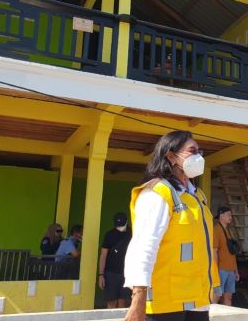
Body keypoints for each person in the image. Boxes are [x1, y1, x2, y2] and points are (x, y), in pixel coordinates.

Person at [123, 130, 219, 321]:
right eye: (192, 151)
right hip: (165, 303)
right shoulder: (157, 193)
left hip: (198, 301)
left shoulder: (197, 196)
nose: (198, 157)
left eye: (200, 152)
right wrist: (138, 299)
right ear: (171, 156)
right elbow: (143, 247)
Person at [99, 212, 132, 308]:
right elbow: (103, 255)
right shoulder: (109, 235)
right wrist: (101, 275)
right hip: (111, 273)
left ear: (127, 222)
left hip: (127, 273)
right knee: (111, 302)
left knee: (123, 301)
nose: (120, 227)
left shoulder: (132, 233)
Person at [212, 206, 240, 306]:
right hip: (221, 269)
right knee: (217, 295)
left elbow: (233, 253)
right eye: (228, 215)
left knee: (228, 297)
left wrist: (236, 270)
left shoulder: (229, 231)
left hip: (231, 270)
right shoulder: (216, 230)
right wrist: (215, 270)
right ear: (221, 215)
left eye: (231, 215)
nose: (230, 217)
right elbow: (214, 251)